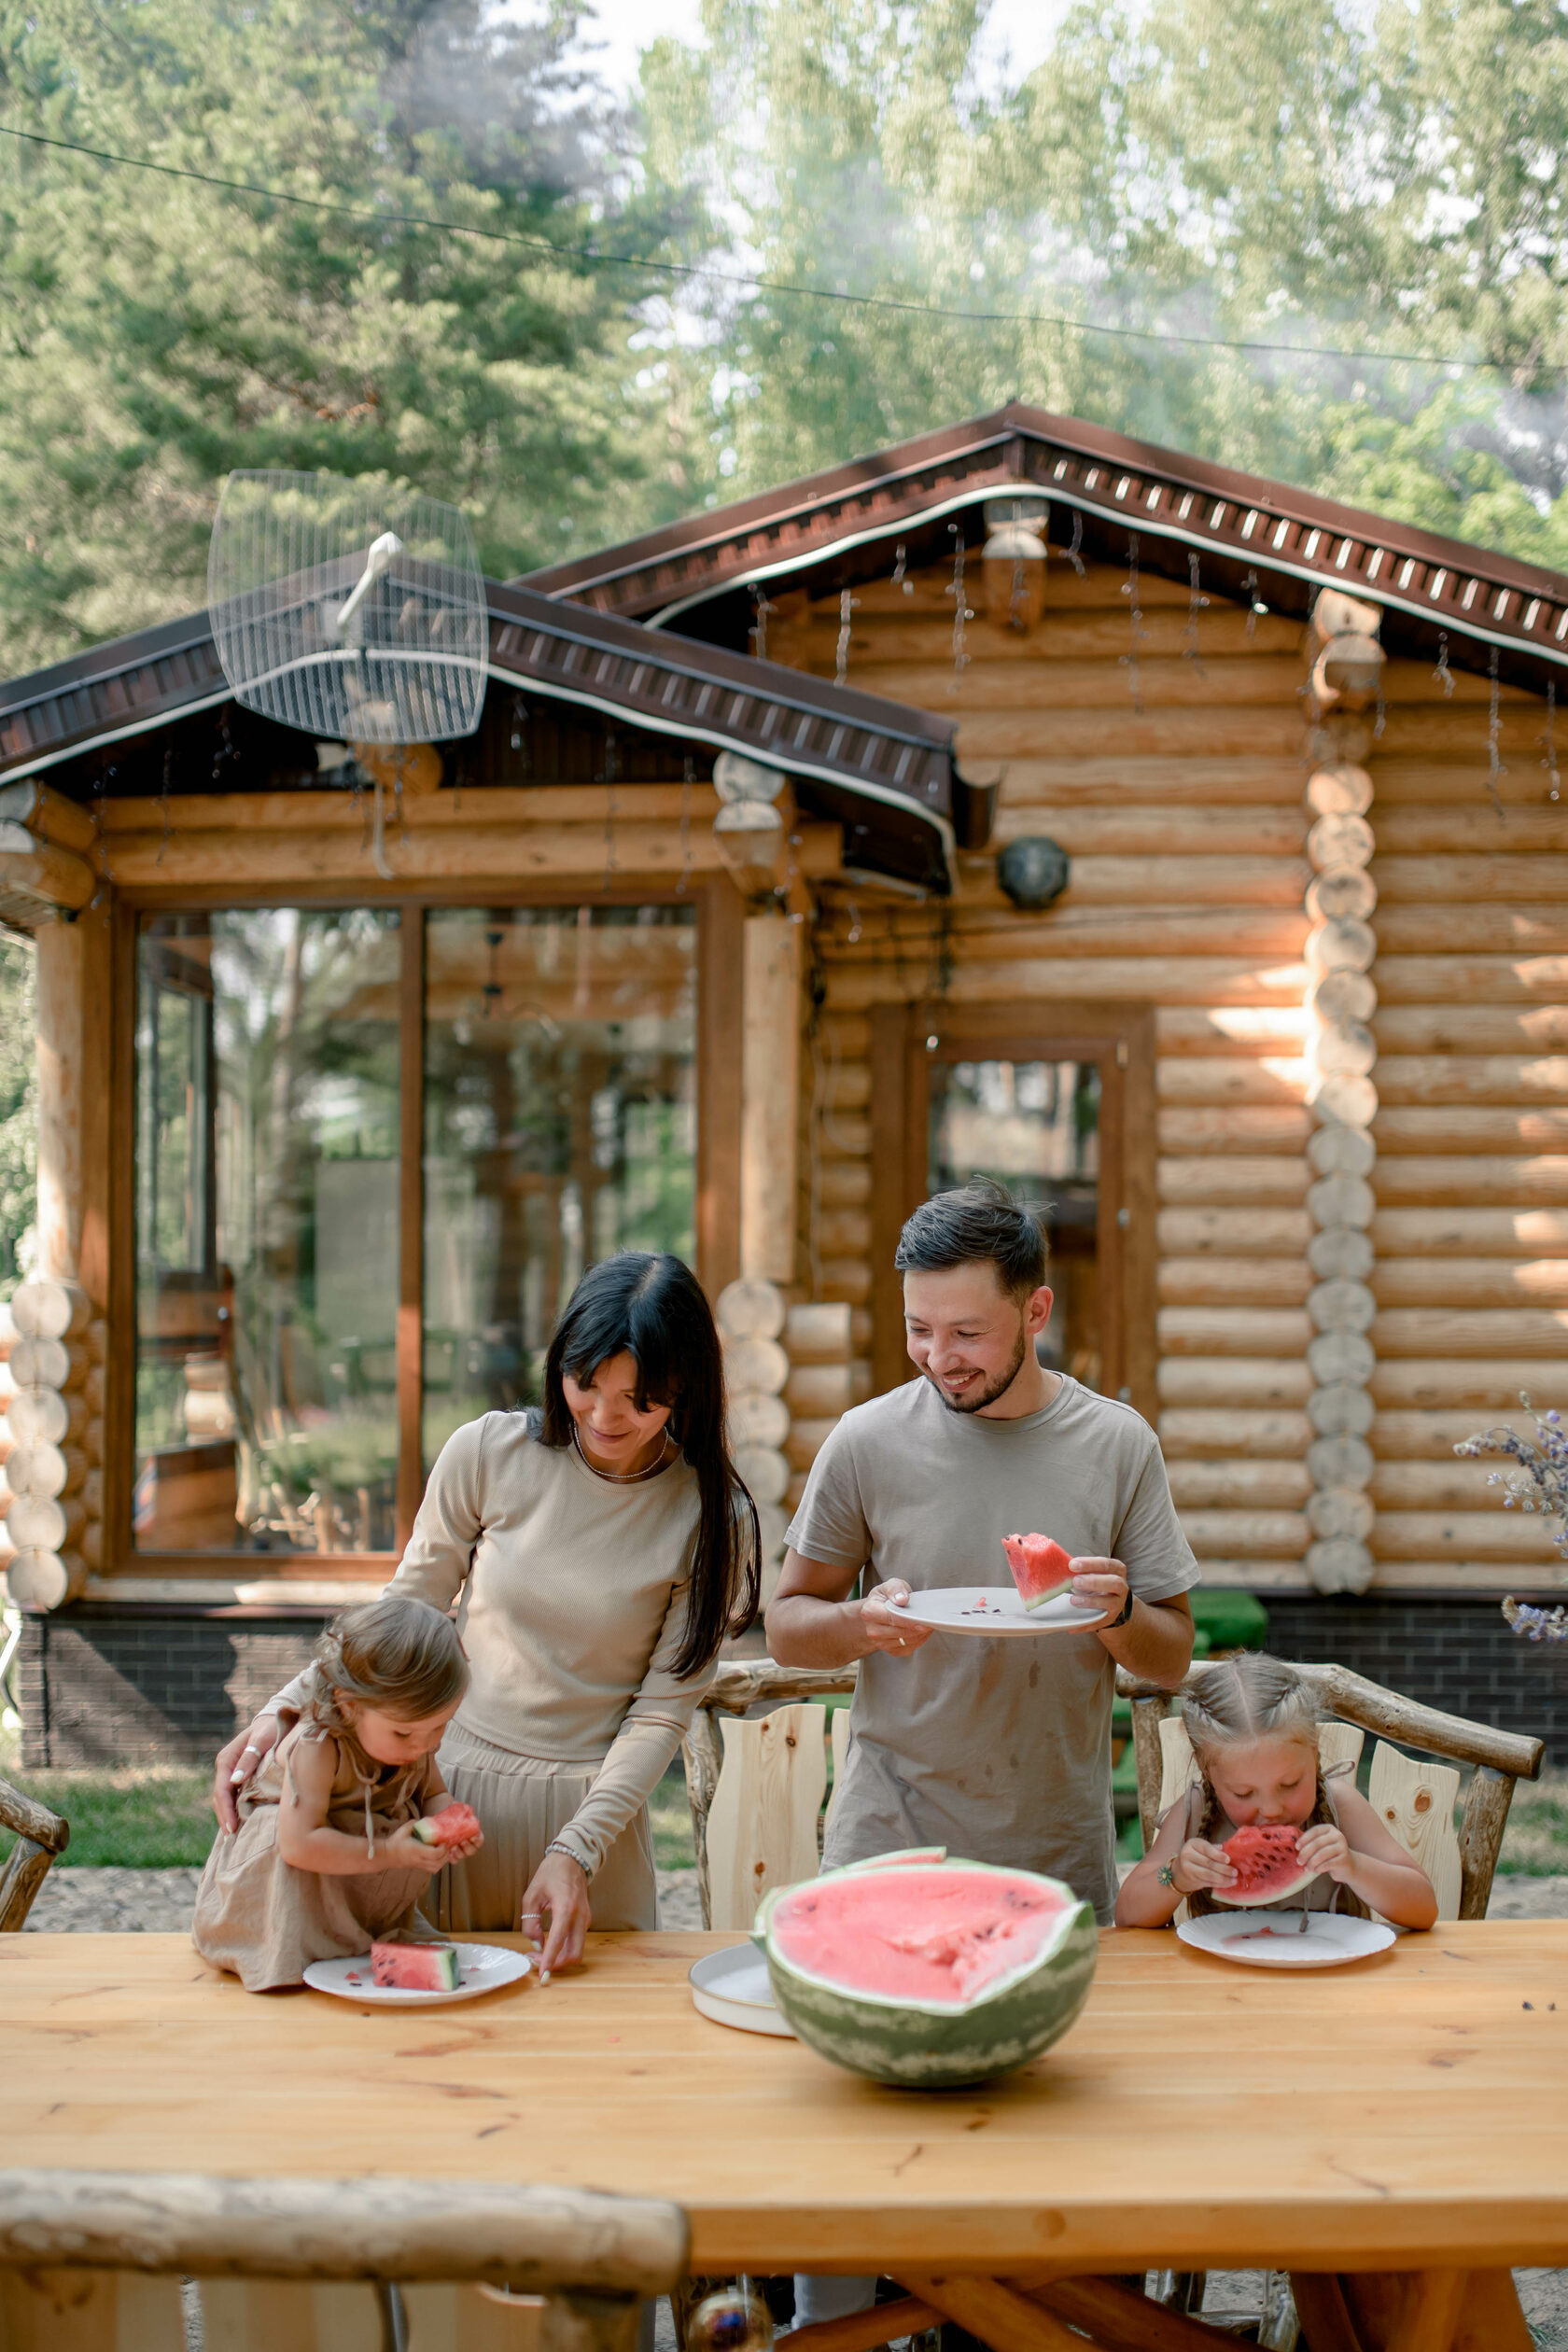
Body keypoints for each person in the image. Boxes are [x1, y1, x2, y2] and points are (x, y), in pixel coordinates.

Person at [768, 1180, 1199, 2336]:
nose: (937, 1357)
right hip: (887, 1831)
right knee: (858, 2140)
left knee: (1030, 2149)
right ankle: (837, 2335)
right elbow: (785, 1621)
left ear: (1036, 1311)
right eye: (919, 1328)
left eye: (966, 1332)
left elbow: (1168, 1656)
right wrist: (860, 1622)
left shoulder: (1116, 1444)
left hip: (1051, 1841)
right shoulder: (867, 1440)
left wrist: (1111, 1608)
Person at [214, 1253, 760, 1973]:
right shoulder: (488, 1451)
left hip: (594, 1819)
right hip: (447, 1801)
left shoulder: (713, 1516)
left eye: (641, 1397)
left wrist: (575, 1849)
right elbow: (408, 1611)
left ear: (686, 1387)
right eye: (585, 1384)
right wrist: (285, 1710)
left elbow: (662, 1712)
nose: (604, 1415)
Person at [193, 1592, 483, 1990]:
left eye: (440, 1727)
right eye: (404, 1732)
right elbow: (299, 1844)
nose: (424, 1746)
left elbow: (434, 1796)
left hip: (351, 1883)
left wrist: (450, 1826)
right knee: (296, 1969)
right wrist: (389, 1852)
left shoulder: (414, 1741)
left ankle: (354, 1944)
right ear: (349, 1707)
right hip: (290, 1877)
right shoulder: (317, 1745)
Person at [1116, 1652, 1438, 1929]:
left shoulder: (1342, 1806)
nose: (1270, 1809)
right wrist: (1176, 1877)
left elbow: (1424, 1909)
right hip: (1224, 1987)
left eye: (1290, 1784)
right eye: (1243, 1793)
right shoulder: (1194, 1810)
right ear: (1207, 1773)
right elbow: (1127, 1915)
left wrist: (1355, 1866)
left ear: (1314, 1753)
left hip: (1331, 1985)